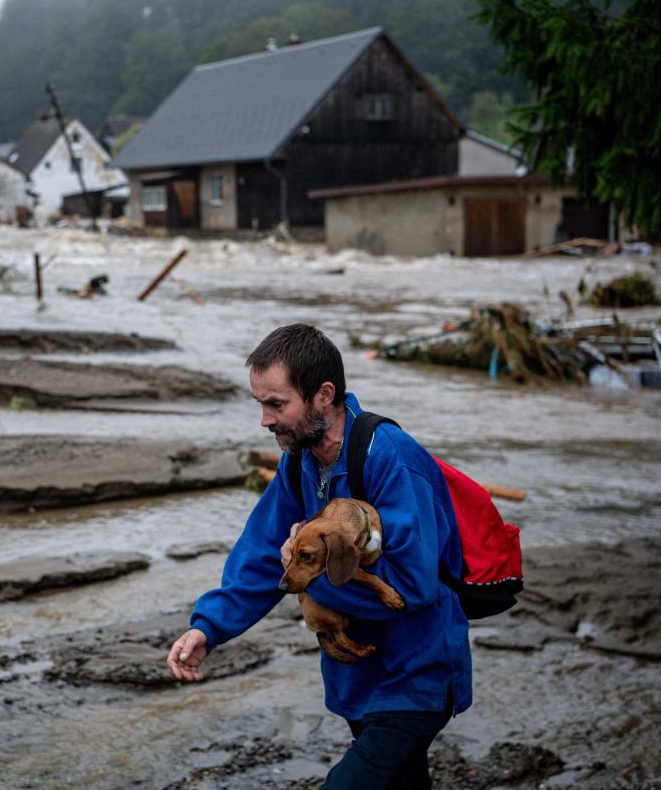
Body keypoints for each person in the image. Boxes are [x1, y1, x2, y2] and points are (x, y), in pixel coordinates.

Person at [165, 323, 471, 789]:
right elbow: (265, 552)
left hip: (415, 677)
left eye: (277, 404)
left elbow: (412, 586)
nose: (265, 420)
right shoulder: (302, 461)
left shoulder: (392, 458)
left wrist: (315, 574)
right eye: (261, 404)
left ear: (324, 395)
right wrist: (209, 627)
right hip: (356, 677)